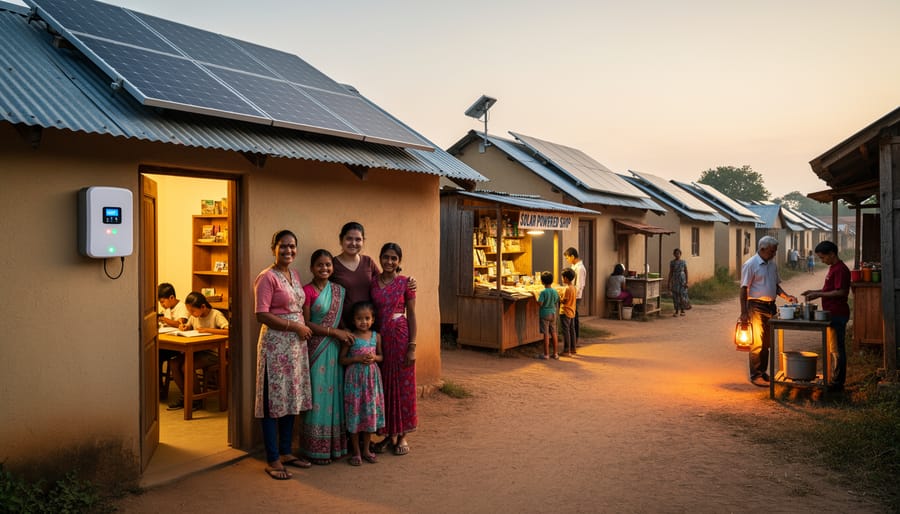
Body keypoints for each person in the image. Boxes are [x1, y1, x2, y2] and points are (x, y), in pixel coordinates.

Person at [253, 229, 314, 480]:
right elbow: (261, 314)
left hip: (295, 348)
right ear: (273, 248)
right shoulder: (267, 278)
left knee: (291, 397)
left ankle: (287, 451)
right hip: (275, 346)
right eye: (283, 246)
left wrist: (301, 329)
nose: (288, 250)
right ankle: (273, 458)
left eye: (292, 246)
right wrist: (294, 326)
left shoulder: (294, 274)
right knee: (272, 402)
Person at [300, 249, 353, 465]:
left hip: (335, 349)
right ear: (312, 268)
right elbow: (307, 323)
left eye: (328, 265)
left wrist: (346, 333)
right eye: (320, 265)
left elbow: (339, 321)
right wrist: (334, 333)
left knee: (335, 396)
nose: (324, 268)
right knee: (318, 396)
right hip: (316, 348)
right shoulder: (307, 291)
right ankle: (315, 448)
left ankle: (335, 447)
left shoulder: (339, 290)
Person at [370, 243, 417, 456]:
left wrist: (412, 347)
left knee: (403, 386)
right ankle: (389, 434)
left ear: (399, 261)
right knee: (385, 387)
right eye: (386, 257)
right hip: (381, 340)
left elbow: (413, 315)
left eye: (394, 258)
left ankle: (403, 435)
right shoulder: (373, 284)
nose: (389, 262)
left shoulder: (405, 283)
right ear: (380, 258)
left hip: (400, 337)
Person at [740, 235, 797, 387]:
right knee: (757, 343)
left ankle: (763, 371)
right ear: (762, 249)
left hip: (770, 306)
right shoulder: (751, 264)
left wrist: (787, 297)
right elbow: (744, 288)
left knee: (767, 342)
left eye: (775, 251)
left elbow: (775, 285)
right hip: (756, 307)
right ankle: (756, 375)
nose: (774, 254)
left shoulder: (772, 264)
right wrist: (744, 312)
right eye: (772, 251)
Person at [165, 291, 229, 411]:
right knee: (174, 363)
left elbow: (228, 331)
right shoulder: (194, 317)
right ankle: (187, 396)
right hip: (197, 351)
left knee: (186, 366)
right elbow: (189, 326)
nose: (191, 314)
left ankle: (197, 400)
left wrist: (208, 330)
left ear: (203, 307)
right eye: (189, 311)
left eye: (193, 311)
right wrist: (184, 327)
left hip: (214, 353)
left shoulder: (216, 315)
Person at [801, 241, 850, 391]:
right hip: (831, 313)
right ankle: (835, 379)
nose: (822, 261)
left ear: (832, 254)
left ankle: (837, 383)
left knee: (837, 349)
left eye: (823, 257)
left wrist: (819, 293)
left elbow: (841, 292)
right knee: (833, 348)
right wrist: (814, 292)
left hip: (838, 313)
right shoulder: (833, 268)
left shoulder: (840, 269)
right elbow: (830, 289)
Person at [340, 301, 385, 466]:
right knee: (355, 414)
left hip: (371, 382)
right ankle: (356, 452)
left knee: (368, 414)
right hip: (354, 382)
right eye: (359, 318)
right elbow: (342, 359)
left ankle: (366, 449)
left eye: (367, 318)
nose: (363, 322)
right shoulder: (350, 338)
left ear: (373, 319)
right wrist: (357, 359)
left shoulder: (376, 336)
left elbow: (381, 356)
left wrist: (375, 358)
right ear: (353, 320)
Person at [536, 271, 560, 360]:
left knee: (546, 334)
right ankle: (555, 353)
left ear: (542, 281)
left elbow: (540, 303)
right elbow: (556, 300)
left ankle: (546, 354)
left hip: (544, 314)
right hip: (553, 313)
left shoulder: (543, 292)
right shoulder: (554, 291)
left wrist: (536, 299)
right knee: (554, 333)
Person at [564, 248, 586, 342]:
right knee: (571, 317)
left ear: (572, 256)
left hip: (576, 296)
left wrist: (572, 295)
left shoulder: (580, 268)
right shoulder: (573, 266)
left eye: (567, 258)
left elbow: (579, 285)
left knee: (574, 316)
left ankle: (575, 338)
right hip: (572, 294)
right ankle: (573, 338)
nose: (567, 260)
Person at [559, 268, 577, 357]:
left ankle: (566, 350)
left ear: (565, 278)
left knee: (566, 331)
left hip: (565, 311)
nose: (562, 279)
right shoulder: (573, 288)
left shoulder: (566, 289)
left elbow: (564, 300)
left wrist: (559, 297)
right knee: (571, 330)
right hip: (572, 311)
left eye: (562, 277)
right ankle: (573, 348)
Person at [668, 248, 690, 317]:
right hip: (675, 280)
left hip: (682, 280)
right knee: (675, 296)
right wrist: (669, 282)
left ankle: (682, 310)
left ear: (680, 254)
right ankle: (676, 310)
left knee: (682, 295)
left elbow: (686, 271)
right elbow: (671, 272)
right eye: (676, 253)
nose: (677, 255)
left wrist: (687, 282)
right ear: (674, 254)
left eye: (678, 253)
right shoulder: (672, 262)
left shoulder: (683, 262)